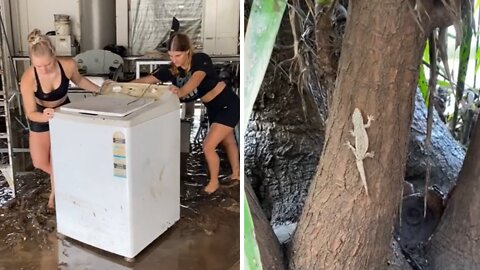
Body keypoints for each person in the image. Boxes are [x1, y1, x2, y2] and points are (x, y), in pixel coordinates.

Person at [132, 33, 240, 195]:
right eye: (171, 56)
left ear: (188, 51)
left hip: (228, 104)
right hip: (212, 107)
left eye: (178, 55)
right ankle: (236, 174)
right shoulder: (172, 70)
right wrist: (122, 85)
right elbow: (149, 79)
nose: (174, 59)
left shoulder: (200, 59)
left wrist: (181, 91)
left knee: (208, 146)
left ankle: (214, 182)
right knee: (228, 140)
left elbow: (196, 79)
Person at [20, 29, 101, 208]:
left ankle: (55, 196)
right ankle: (68, 178)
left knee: (60, 156)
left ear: (54, 55)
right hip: (41, 115)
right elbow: (30, 113)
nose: (43, 69)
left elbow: (79, 81)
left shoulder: (68, 65)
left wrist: (99, 90)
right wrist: (43, 116)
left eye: (47, 64)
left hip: (64, 111)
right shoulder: (28, 78)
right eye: (38, 66)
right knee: (39, 162)